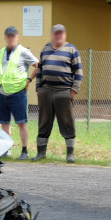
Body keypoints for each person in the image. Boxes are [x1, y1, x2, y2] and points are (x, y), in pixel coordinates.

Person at [33, 24, 82, 163]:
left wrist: (73, 90)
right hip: (46, 91)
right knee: (43, 122)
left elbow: (78, 71)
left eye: (61, 33)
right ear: (52, 34)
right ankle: (41, 153)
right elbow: (39, 69)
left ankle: (70, 155)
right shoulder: (46, 49)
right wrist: (38, 88)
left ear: (64, 34)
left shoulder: (72, 50)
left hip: (64, 92)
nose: (58, 35)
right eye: (56, 33)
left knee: (67, 122)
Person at [0, 26, 38, 160]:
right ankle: (6, 150)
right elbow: (0, 70)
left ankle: (24, 151)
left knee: (21, 123)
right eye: (8, 36)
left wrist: (29, 80)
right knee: (4, 123)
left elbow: (38, 65)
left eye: (13, 36)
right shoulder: (1, 51)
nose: (10, 38)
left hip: (17, 93)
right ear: (5, 37)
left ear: (17, 37)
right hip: (2, 93)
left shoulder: (23, 51)